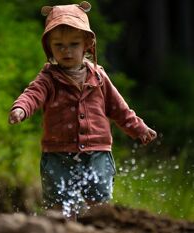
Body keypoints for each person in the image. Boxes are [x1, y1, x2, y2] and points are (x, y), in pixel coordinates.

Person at [8, 1, 157, 221]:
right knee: (58, 206)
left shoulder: (98, 77)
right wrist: (21, 108)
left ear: (87, 43)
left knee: (98, 203)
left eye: (73, 44)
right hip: (57, 153)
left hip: (97, 152)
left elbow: (118, 108)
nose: (66, 51)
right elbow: (32, 94)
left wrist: (138, 128)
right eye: (58, 45)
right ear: (49, 46)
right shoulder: (48, 78)